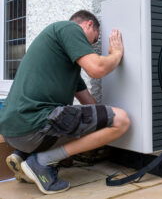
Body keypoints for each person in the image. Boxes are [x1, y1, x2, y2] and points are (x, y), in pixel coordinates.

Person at [0, 10, 130, 194]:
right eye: (95, 39)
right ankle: (41, 162)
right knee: (122, 120)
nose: (92, 45)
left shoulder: (66, 65)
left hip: (14, 132)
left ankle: (23, 156)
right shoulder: (68, 28)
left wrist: (101, 124)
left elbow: (90, 105)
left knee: (84, 118)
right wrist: (116, 54)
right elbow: (97, 68)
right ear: (88, 25)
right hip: (33, 126)